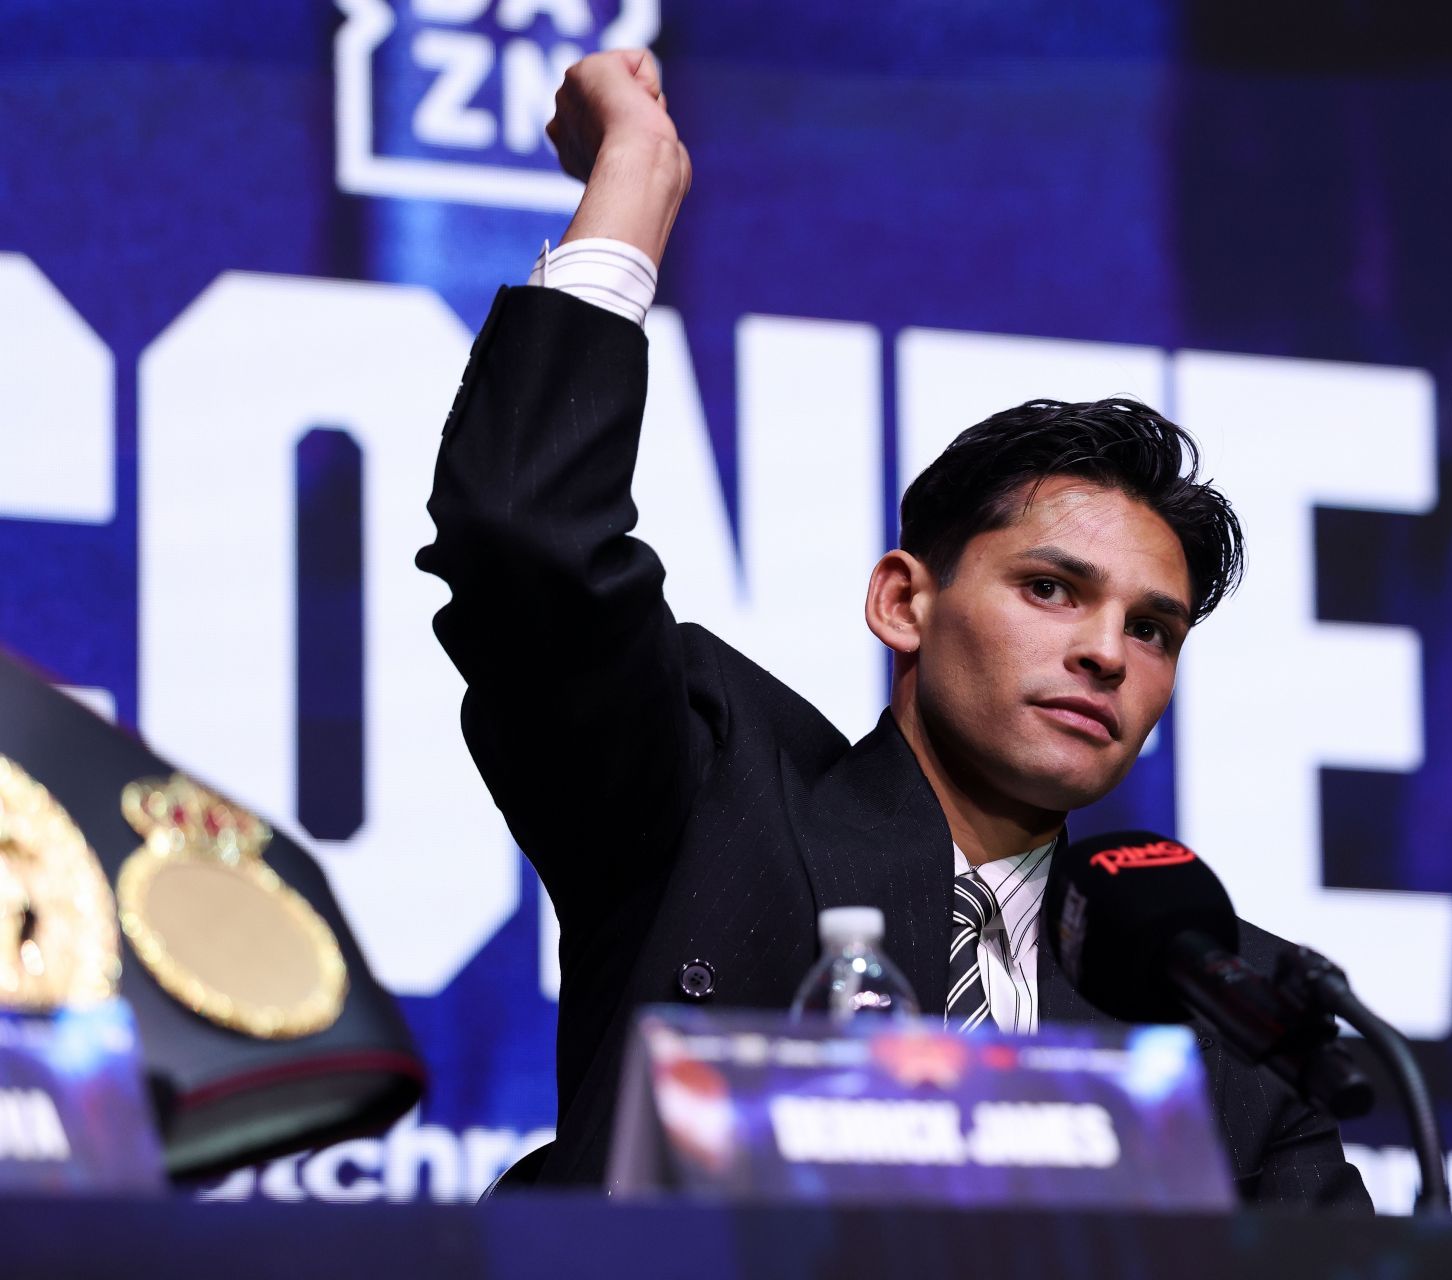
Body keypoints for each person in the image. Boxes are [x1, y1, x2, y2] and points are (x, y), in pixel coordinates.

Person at [419, 48, 1369, 1208]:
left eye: (1155, 627)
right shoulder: (712, 798)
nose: (1108, 652)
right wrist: (633, 187)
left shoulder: (1229, 1003)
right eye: (1053, 589)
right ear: (903, 602)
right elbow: (525, 536)